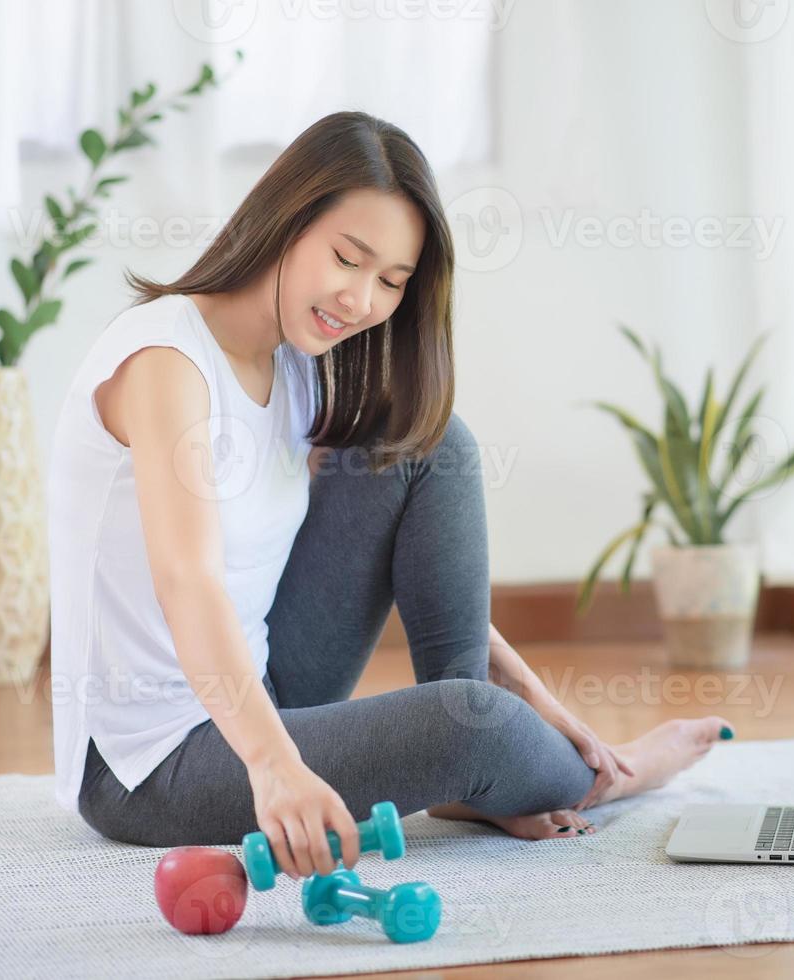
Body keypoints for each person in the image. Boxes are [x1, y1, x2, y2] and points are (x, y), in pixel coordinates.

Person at [47, 110, 733, 882]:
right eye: (347, 258)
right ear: (286, 219)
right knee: (468, 729)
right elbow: (188, 578)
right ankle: (610, 775)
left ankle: (486, 767)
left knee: (431, 445)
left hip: (263, 682)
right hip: (150, 762)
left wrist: (530, 691)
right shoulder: (167, 359)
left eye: (390, 282)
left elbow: (396, 534)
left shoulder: (297, 366)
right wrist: (274, 766)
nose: (360, 299)